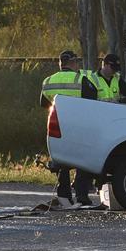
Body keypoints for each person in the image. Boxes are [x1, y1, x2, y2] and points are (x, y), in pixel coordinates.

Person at [39, 50, 99, 208]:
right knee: (83, 159)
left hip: (56, 126)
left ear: (60, 63)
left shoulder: (48, 81)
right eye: (76, 62)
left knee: (61, 160)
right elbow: (93, 100)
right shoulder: (81, 79)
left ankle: (64, 195)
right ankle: (81, 195)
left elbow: (43, 104)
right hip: (78, 126)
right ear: (72, 63)